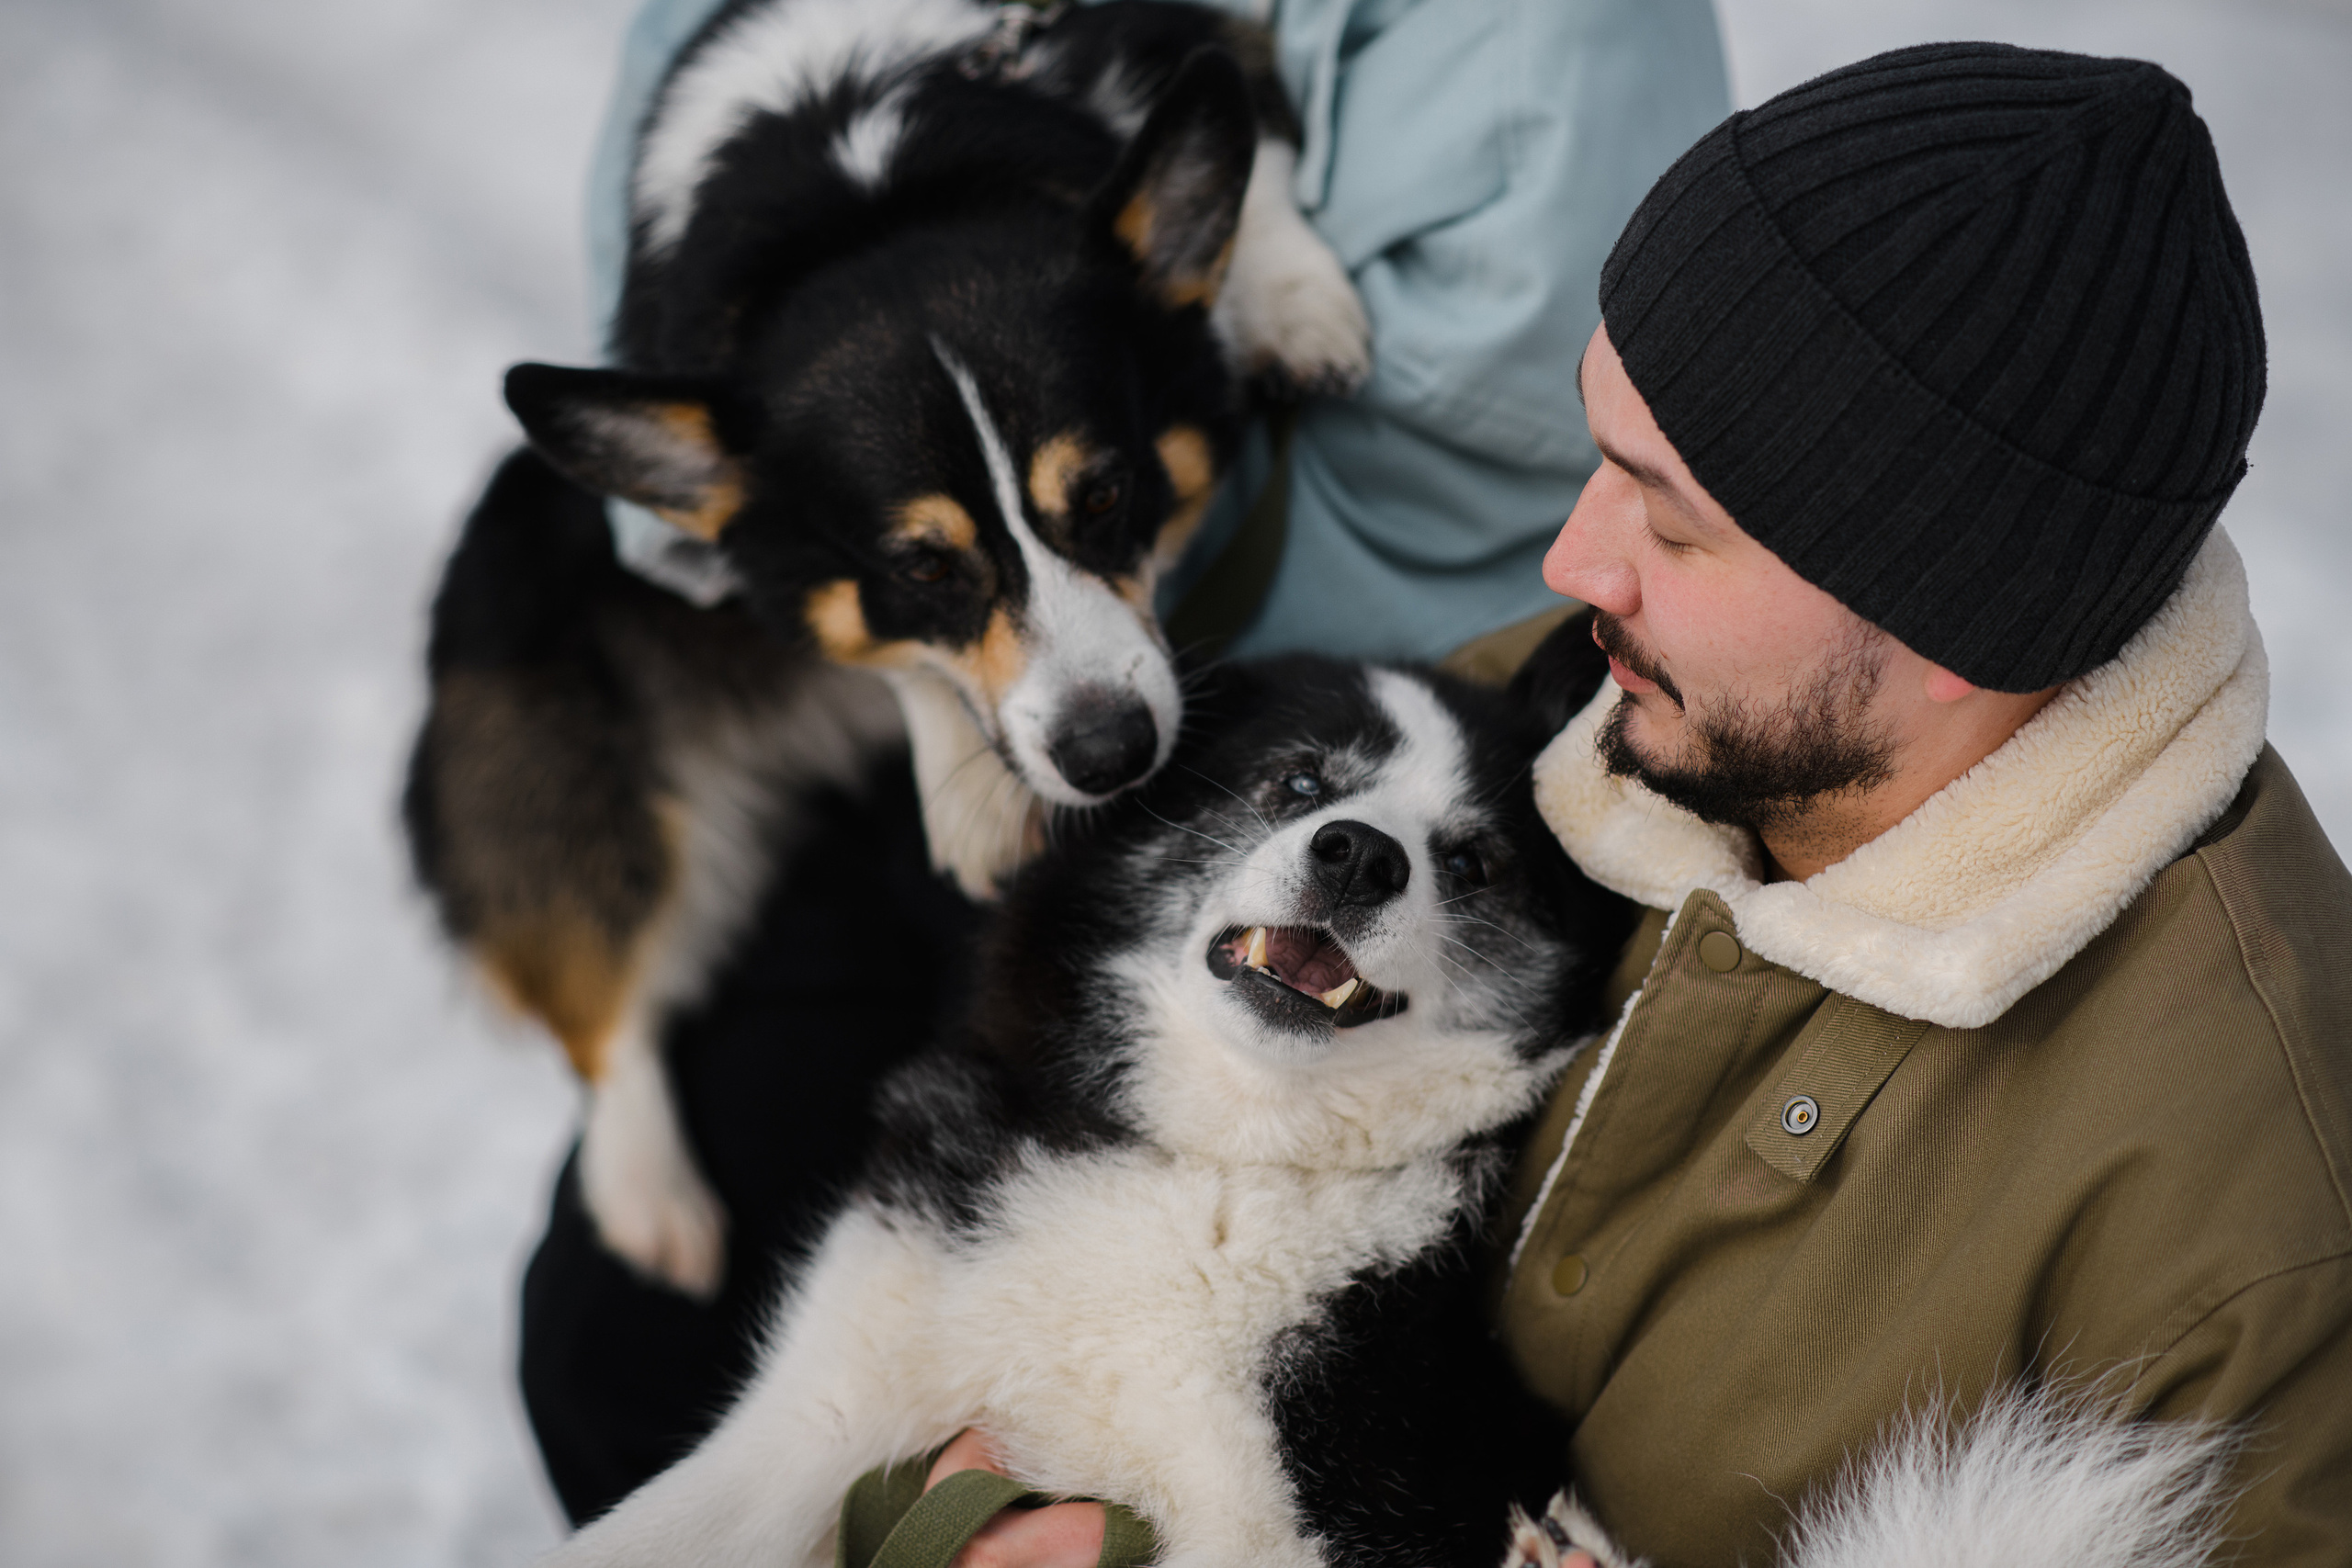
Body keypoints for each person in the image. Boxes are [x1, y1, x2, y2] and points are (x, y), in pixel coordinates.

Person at [886, 40, 2352, 1568]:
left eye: (1669, 516)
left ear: (1954, 622)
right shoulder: (1528, 723)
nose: (1572, 564)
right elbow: (984, 1236)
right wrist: (973, 1527)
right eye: (1601, 452)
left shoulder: (2256, 1233)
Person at [520, 0, 1731, 1527]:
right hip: (924, 775)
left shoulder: (1528, 52)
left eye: (1093, 513)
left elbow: (1487, 402)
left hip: (1327, 762)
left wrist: (1203, 268)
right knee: (618, 1346)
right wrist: (934, 697)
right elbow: (681, 500)